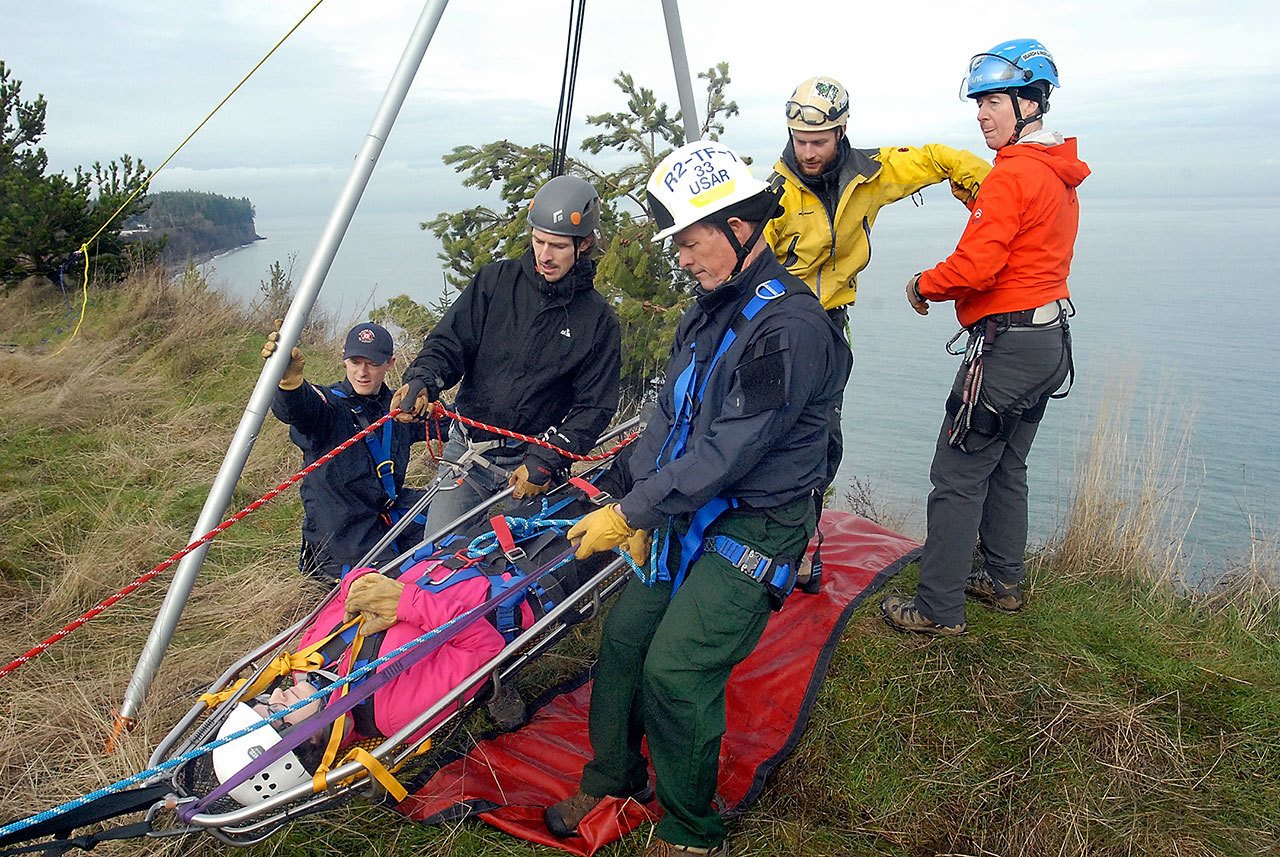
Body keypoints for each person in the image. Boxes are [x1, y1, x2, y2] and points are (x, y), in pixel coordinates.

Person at [543, 141, 852, 857]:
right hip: (688, 509)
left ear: (741, 227)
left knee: (676, 667)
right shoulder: (708, 309)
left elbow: (730, 451)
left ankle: (690, 834)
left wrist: (634, 513)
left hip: (758, 520)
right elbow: (669, 420)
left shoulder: (791, 329)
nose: (680, 257)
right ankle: (617, 775)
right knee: (623, 642)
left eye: (689, 240)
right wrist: (618, 490)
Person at [881, 38, 1089, 636]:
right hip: (1050, 340)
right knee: (1007, 466)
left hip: (1009, 347)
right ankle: (1002, 580)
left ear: (1029, 102)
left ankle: (938, 610)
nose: (981, 114)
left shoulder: (1013, 175)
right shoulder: (1058, 173)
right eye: (979, 102)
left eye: (994, 101)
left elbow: (976, 266)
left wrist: (924, 283)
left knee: (956, 474)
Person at [764, 75, 993, 590]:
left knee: (823, 438)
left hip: (832, 323)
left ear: (842, 131)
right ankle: (765, 541)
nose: (807, 151)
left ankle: (803, 545)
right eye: (799, 140)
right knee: (772, 435)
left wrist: (987, 188)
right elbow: (747, 265)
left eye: (818, 141)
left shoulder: (870, 174)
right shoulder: (776, 193)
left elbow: (935, 158)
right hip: (781, 326)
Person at [393, 175, 622, 539]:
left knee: (519, 573)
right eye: (538, 242)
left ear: (585, 244)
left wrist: (550, 459)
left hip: (533, 461)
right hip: (468, 451)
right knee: (436, 554)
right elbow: (451, 342)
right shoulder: (496, 282)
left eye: (558, 246)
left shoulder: (597, 321)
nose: (544, 256)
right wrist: (424, 379)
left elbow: (594, 407)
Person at [263, 321, 426, 583]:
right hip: (342, 538)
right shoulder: (331, 406)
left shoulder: (398, 408)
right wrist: (290, 385)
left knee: (453, 538)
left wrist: (428, 403)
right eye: (355, 361)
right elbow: (302, 409)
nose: (362, 372)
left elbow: (450, 424)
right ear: (344, 359)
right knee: (411, 589)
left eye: (372, 364)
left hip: (386, 520)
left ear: (390, 363)